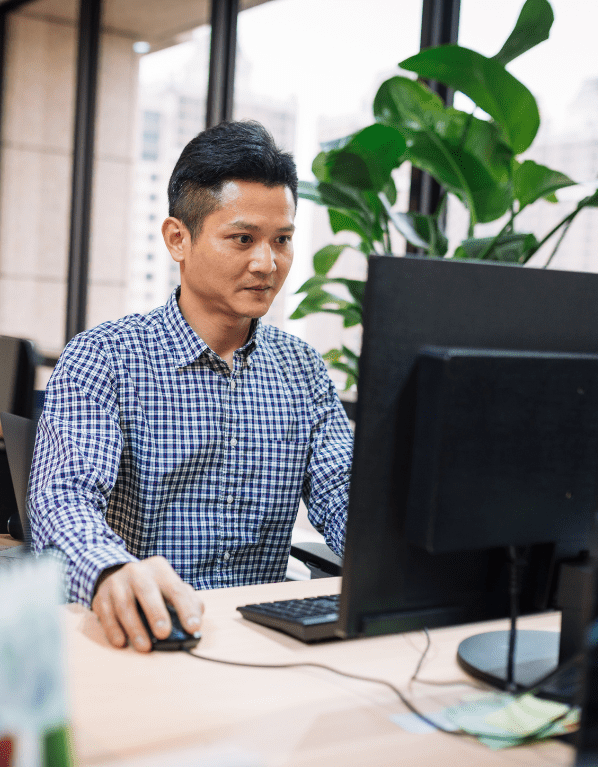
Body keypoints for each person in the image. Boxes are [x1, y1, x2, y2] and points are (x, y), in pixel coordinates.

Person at [28, 121, 354, 653]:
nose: (267, 264)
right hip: (143, 633)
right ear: (178, 239)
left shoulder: (303, 370)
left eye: (283, 241)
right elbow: (64, 500)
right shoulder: (105, 357)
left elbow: (343, 496)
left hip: (259, 642)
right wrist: (111, 572)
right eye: (242, 239)